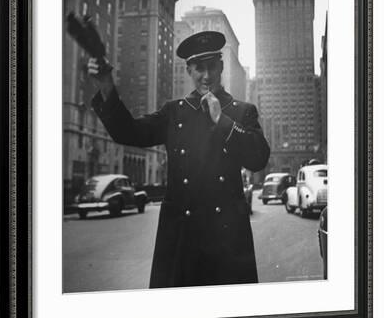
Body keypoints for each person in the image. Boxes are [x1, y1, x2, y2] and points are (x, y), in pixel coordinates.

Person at [89, 30, 270, 288]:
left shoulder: (242, 112)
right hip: (182, 238)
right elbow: (127, 131)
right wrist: (106, 84)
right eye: (199, 68)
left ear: (221, 66)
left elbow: (259, 158)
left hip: (227, 238)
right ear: (189, 70)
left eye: (211, 67)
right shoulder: (173, 112)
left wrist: (223, 121)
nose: (206, 76)